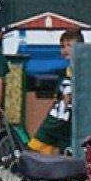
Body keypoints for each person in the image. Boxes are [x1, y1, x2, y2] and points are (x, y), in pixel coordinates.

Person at [26, 27, 81, 155]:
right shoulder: (63, 73)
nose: (65, 49)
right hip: (55, 121)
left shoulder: (85, 71)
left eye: (69, 45)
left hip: (71, 124)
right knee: (34, 148)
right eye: (63, 46)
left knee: (68, 156)